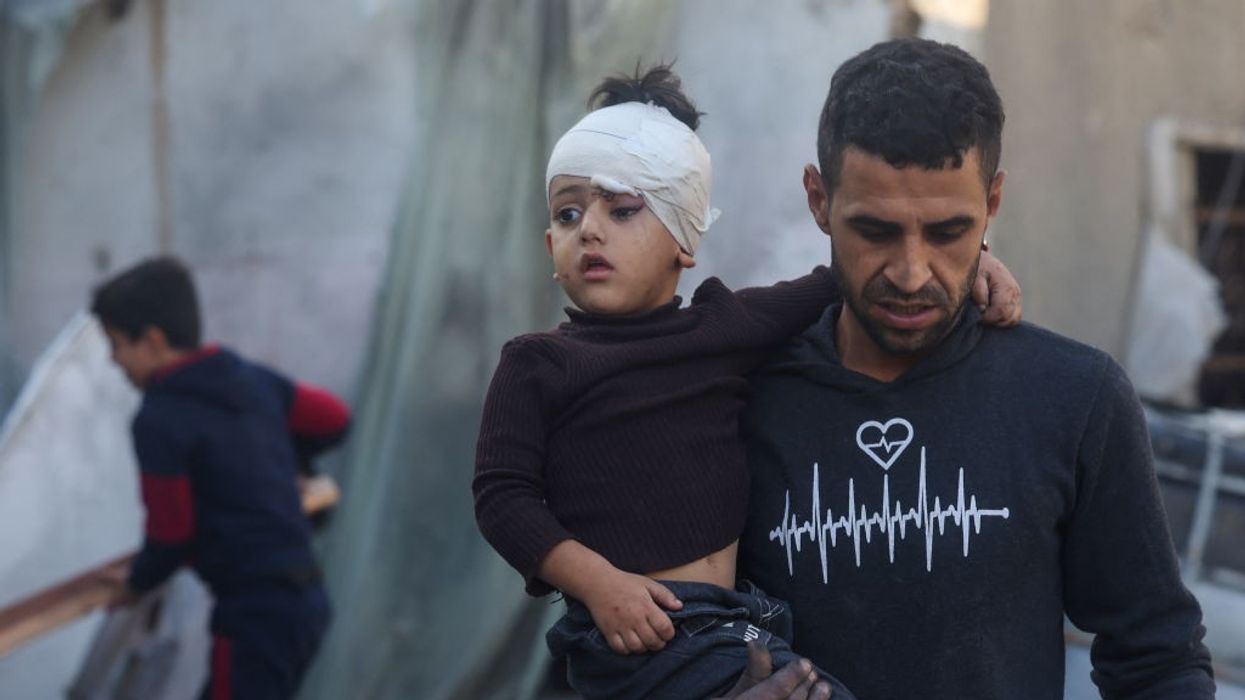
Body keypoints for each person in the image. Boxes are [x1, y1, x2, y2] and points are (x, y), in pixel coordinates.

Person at [471, 66, 1022, 700]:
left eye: (623, 209)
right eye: (568, 215)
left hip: (737, 622)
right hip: (636, 633)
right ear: (549, 245)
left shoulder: (723, 327)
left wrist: (974, 258)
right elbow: (501, 496)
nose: (589, 229)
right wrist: (598, 583)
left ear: (685, 238)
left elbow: (847, 278)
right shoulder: (539, 362)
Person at [735, 38, 1216, 699]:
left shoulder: (1073, 398)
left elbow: (1157, 659)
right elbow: (660, 628)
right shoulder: (736, 398)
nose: (911, 273)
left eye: (946, 232)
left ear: (992, 202)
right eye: (874, 231)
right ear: (818, 200)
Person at [90, 256, 351, 700]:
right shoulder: (250, 380)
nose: (114, 361)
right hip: (307, 602)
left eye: (115, 344)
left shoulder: (158, 418)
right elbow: (334, 418)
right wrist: (290, 465)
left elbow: (171, 532)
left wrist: (135, 583)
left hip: (254, 615)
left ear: (152, 341)